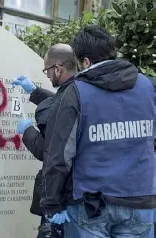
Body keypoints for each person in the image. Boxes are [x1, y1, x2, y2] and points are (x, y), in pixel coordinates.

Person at [36, 25, 155, 238]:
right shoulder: (147, 86)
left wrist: (51, 203)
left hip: (90, 206)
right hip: (141, 201)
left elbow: (59, 155)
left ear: (86, 62)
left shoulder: (76, 92)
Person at [11, 43, 77, 237]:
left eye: (47, 70)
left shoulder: (72, 94)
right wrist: (33, 91)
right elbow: (60, 102)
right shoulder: (79, 90)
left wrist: (28, 130)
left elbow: (47, 152)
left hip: (61, 198)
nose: (46, 75)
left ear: (58, 68)